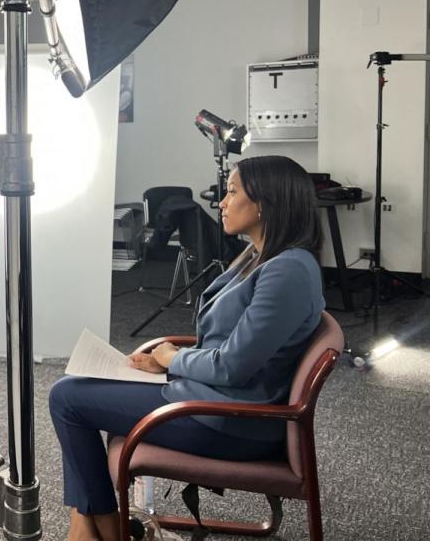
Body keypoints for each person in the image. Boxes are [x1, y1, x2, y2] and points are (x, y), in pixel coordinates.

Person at [49, 155, 324, 541]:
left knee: (67, 399)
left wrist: (173, 359)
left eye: (231, 193)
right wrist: (167, 365)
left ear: (265, 202)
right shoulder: (260, 255)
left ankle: (98, 530)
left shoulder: (288, 270)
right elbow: (234, 346)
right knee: (72, 391)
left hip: (229, 420)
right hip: (212, 398)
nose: (222, 203)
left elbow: (232, 367)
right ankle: (91, 524)